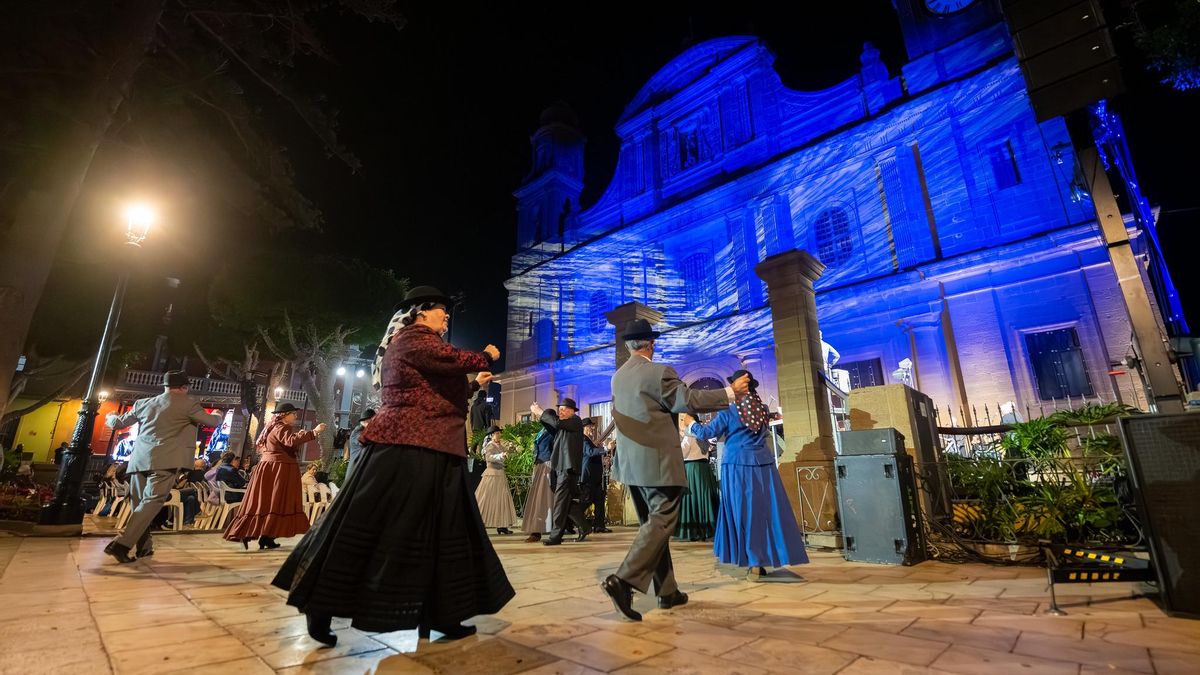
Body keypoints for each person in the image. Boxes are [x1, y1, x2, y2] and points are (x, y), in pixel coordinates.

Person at [272, 285, 514, 647]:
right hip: (406, 447)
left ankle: (443, 612)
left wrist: (474, 388)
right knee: (372, 525)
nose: (446, 315)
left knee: (444, 532)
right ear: (419, 312)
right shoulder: (412, 339)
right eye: (441, 310)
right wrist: (486, 356)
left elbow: (440, 396)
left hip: (436, 447)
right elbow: (455, 361)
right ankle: (320, 602)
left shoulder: (421, 345)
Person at [600, 319, 749, 621]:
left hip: (631, 465)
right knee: (662, 522)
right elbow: (688, 399)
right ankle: (623, 580)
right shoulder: (659, 372)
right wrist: (730, 392)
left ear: (629, 346)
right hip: (657, 461)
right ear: (651, 345)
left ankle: (667, 591)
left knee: (653, 529)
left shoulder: (618, 377)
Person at [690, 370, 808, 579]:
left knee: (744, 513)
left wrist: (689, 423)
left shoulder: (729, 412)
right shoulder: (762, 410)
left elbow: (705, 433)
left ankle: (753, 561)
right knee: (767, 512)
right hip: (764, 466)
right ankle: (764, 557)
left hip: (737, 467)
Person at [102, 371, 222, 563]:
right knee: (151, 503)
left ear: (165, 386)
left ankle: (144, 547)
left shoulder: (143, 403)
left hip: (139, 461)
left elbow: (118, 423)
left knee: (140, 505)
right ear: (184, 386)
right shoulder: (188, 404)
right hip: (166, 461)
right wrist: (217, 414)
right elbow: (212, 422)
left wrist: (110, 415)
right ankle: (122, 543)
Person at [223, 403, 325, 550]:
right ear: (284, 415)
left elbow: (285, 444)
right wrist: (313, 432)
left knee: (271, 502)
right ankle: (255, 534)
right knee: (276, 501)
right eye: (293, 414)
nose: (295, 416)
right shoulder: (280, 427)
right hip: (278, 469)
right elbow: (290, 441)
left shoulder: (274, 427)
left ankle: (267, 536)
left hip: (274, 468)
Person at [534, 398, 590, 545]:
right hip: (561, 467)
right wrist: (541, 416)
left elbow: (557, 423)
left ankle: (555, 536)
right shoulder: (563, 427)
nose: (561, 411)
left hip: (567, 468)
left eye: (564, 409)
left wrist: (541, 412)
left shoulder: (576, 421)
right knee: (567, 502)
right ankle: (584, 527)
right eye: (560, 409)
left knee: (559, 501)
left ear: (572, 411)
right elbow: (552, 426)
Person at [675, 416, 718, 541]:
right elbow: (709, 449)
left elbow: (681, 453)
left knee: (693, 499)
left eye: (682, 419)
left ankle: (694, 531)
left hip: (692, 469)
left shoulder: (690, 434)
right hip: (704, 468)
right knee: (704, 498)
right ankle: (707, 529)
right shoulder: (702, 432)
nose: (680, 422)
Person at [474, 425, 516, 535]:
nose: (499, 435)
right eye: (497, 433)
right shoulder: (489, 445)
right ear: (492, 435)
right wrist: (501, 455)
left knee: (502, 499)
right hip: (492, 474)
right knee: (486, 498)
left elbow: (506, 453)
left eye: (499, 433)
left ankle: (502, 525)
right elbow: (489, 458)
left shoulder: (500, 445)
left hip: (500, 474)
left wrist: (511, 449)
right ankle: (476, 522)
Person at [521, 425, 555, 543]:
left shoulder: (552, 431)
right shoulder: (541, 431)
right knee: (538, 499)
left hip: (548, 465)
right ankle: (537, 530)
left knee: (544, 499)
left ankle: (539, 531)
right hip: (539, 465)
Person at [581, 419, 610, 534]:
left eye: (592, 426)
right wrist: (606, 448)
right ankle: (570, 519)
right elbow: (591, 452)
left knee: (599, 500)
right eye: (589, 426)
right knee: (585, 502)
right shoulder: (583, 440)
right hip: (589, 478)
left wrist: (603, 461)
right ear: (584, 428)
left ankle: (599, 526)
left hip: (595, 478)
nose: (592, 428)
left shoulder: (589, 440)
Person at [344, 408, 375, 480]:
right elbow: (364, 441)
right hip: (356, 470)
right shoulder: (358, 431)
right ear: (365, 422)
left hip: (363, 470)